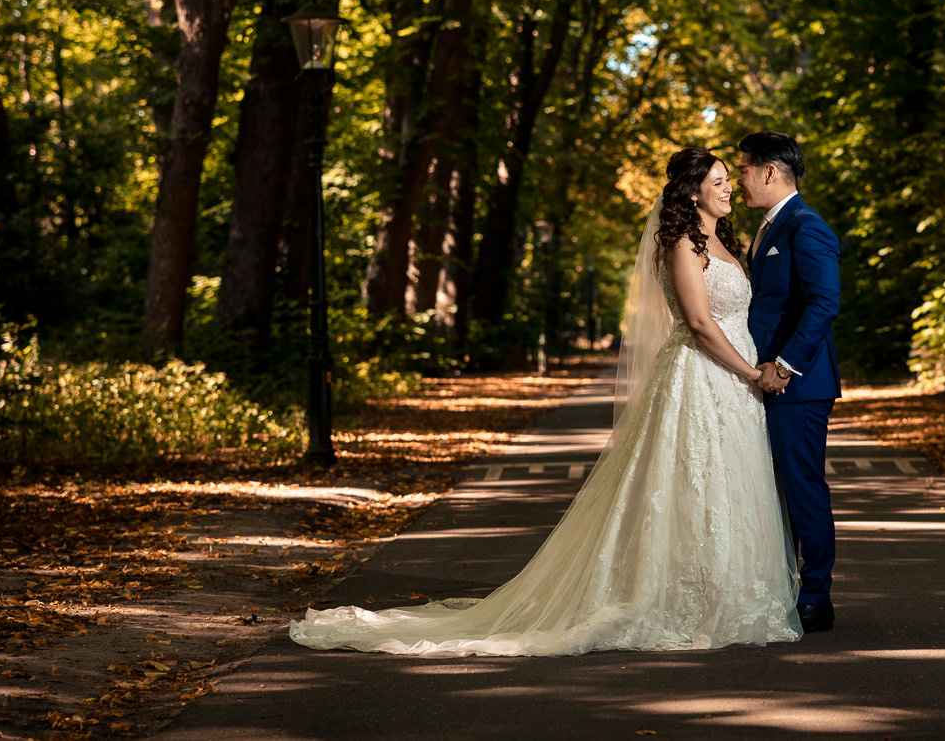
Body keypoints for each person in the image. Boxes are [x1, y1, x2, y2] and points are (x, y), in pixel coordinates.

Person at [288, 148, 800, 656]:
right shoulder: (683, 246)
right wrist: (752, 372)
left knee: (728, 484)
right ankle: (681, 596)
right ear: (692, 192)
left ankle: (726, 592)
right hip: (704, 376)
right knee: (691, 480)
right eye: (718, 180)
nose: (729, 187)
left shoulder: (726, 241)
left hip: (734, 384)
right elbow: (699, 323)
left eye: (730, 178)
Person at [736, 130, 842, 634]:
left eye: (743, 170)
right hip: (766, 381)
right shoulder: (768, 227)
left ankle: (817, 598)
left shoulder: (806, 226)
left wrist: (784, 365)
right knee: (771, 489)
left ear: (770, 171)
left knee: (803, 488)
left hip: (799, 384)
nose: (739, 180)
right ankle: (783, 587)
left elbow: (824, 303)